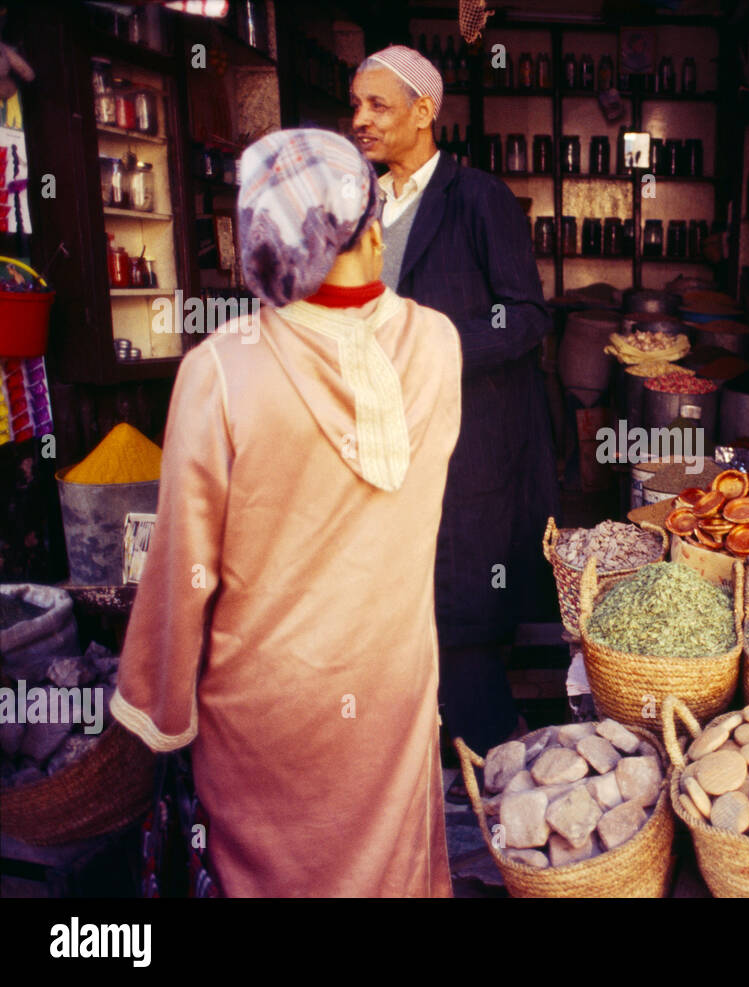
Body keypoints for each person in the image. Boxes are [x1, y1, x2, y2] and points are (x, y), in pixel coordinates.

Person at [110, 129, 462, 897]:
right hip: (390, 691)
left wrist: (157, 711)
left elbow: (178, 571)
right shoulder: (439, 346)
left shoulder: (219, 373)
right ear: (371, 225)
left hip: (266, 714)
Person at [351, 45, 558, 756]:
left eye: (377, 105)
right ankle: (421, 761)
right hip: (386, 432)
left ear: (424, 111)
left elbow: (526, 316)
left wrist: (429, 345)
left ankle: (493, 760)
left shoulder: (478, 199)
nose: (361, 120)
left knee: (466, 596)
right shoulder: (364, 205)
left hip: (469, 441)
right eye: (356, 106)